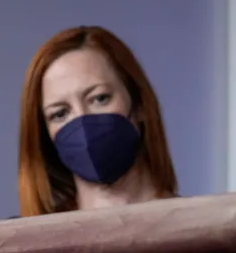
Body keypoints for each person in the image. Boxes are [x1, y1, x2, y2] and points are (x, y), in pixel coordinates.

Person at [17, 25, 177, 216]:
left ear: (138, 103)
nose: (82, 121)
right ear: (46, 136)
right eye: (60, 114)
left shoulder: (202, 232)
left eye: (100, 99)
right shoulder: (31, 242)